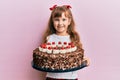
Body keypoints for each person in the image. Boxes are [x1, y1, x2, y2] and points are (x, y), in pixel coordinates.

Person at [41, 5, 90, 80]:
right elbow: (44, 57)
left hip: (70, 77)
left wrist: (86, 60)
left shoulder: (73, 38)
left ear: (69, 21)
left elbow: (78, 57)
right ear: (52, 21)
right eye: (57, 19)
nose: (60, 23)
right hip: (52, 77)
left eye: (64, 19)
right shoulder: (49, 38)